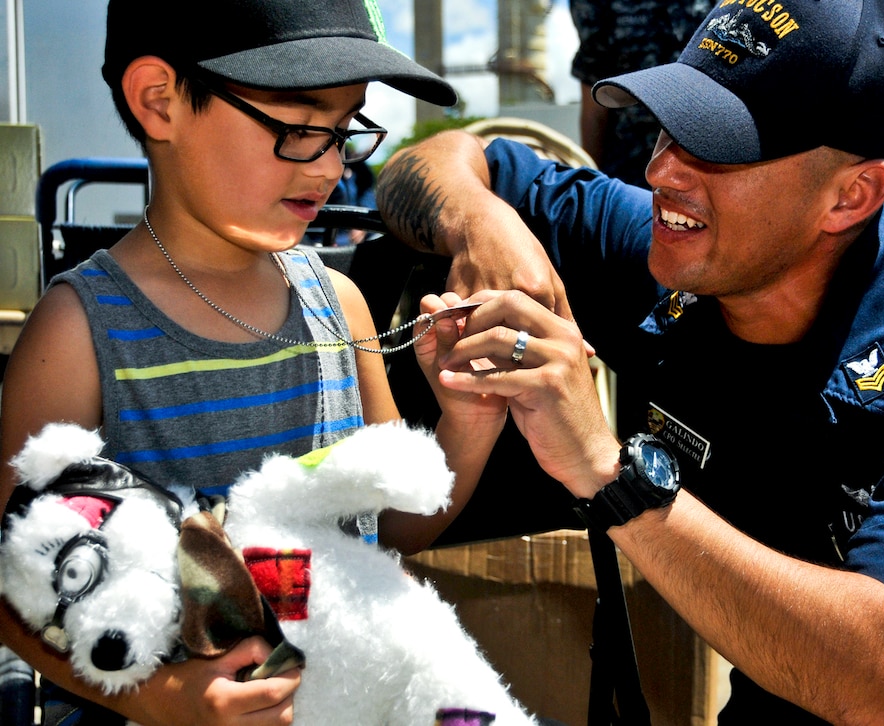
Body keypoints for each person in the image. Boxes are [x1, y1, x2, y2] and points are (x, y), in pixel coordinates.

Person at [376, 0, 884, 722]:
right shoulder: (669, 253)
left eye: (715, 145)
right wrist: (478, 219)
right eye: (666, 128)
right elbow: (433, 161)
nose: (660, 170)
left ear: (852, 195)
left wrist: (612, 474)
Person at [0, 1, 506, 724]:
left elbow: (388, 531)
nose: (331, 165)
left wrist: (469, 420)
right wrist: (159, 697)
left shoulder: (339, 305)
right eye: (299, 128)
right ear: (159, 101)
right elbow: (14, 577)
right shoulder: (79, 334)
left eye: (344, 130)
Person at [570, 0, 712, 186]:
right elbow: (594, 109)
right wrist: (591, 182)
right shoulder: (597, 6)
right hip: (628, 174)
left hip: (709, 168)